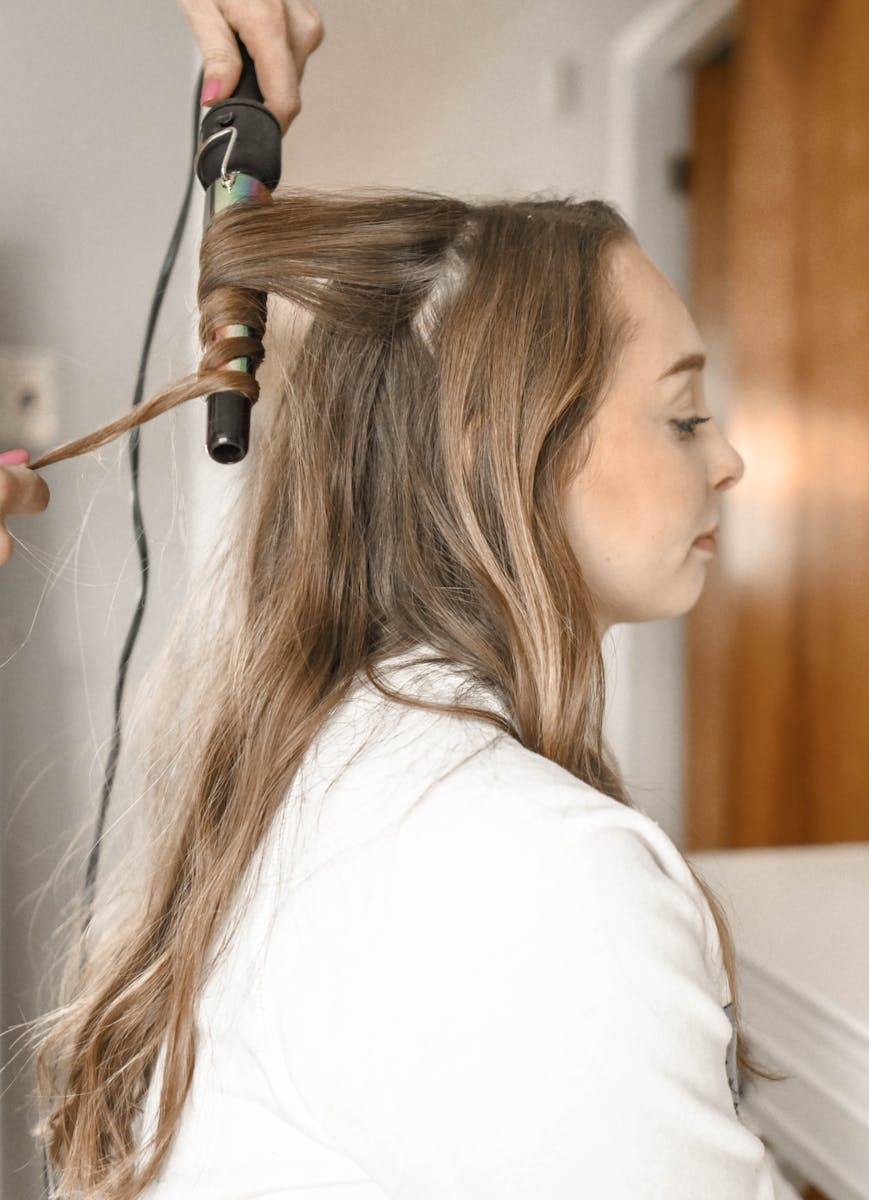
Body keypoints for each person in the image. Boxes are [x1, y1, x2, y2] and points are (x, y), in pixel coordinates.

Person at [6, 3, 805, 1198]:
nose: (727, 462)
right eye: (683, 414)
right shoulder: (532, 874)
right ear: (492, 445)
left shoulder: (332, 753)